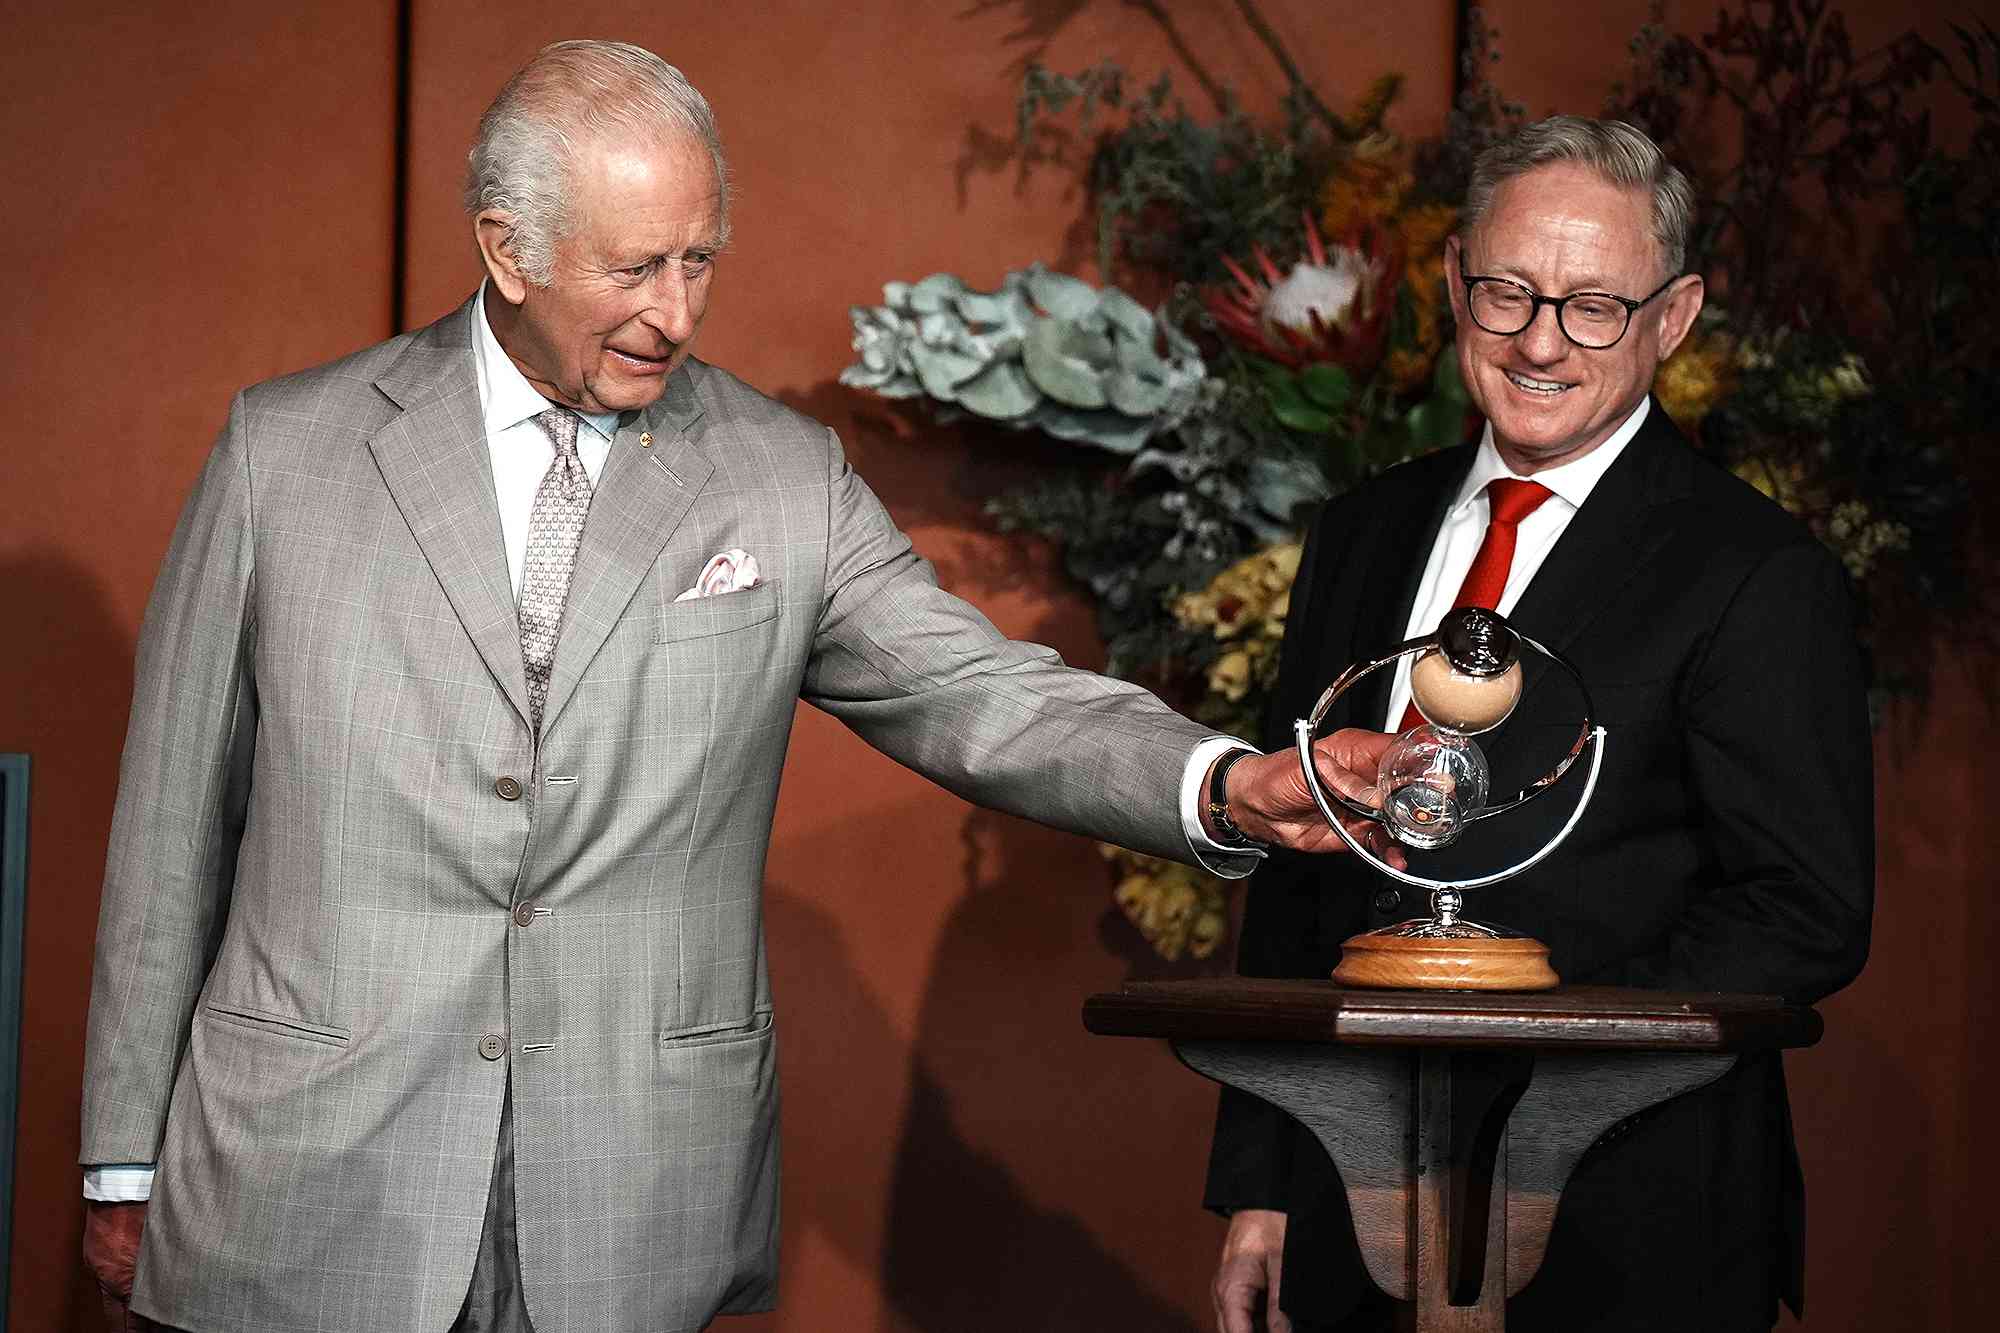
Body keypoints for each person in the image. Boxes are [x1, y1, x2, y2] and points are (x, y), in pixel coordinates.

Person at [77, 40, 1397, 1333]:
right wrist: (123, 1162)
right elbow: (168, 828)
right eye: (636, 266)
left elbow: (984, 694)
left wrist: (1224, 782)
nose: (679, 312)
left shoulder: (782, 477)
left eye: (700, 257)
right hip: (306, 1184)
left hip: (627, 1203)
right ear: (506, 249)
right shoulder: (283, 454)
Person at [1204, 116, 1873, 1333]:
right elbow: (1300, 870)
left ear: (1671, 317)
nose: (1539, 341)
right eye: (1505, 292)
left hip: (1631, 1215)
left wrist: (1547, 1052)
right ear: (1455, 283)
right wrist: (1263, 1187)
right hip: (1355, 1194)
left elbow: (1803, 905)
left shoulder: (1754, 572)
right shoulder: (1359, 532)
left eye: (1591, 306)